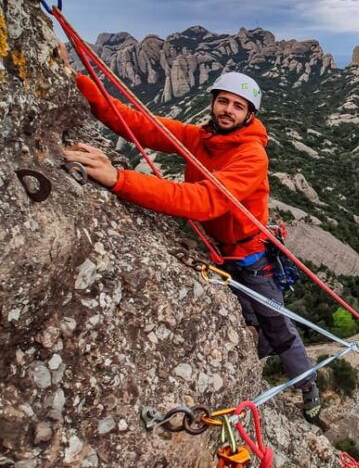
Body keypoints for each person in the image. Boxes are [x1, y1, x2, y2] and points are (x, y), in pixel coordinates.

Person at [62, 61, 321, 421]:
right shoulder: (201, 137)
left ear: (249, 115)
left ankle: (306, 383)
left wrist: (118, 178)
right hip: (217, 251)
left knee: (277, 325)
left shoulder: (251, 155)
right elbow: (138, 124)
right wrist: (74, 79)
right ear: (213, 103)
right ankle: (254, 358)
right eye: (223, 101)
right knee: (246, 321)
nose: (228, 110)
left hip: (250, 256)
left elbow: (203, 200)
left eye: (238, 105)